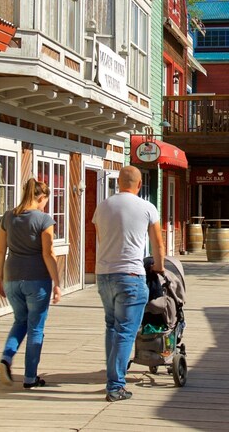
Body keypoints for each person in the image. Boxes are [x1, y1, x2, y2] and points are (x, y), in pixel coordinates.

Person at [92, 165, 165, 402]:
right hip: (131, 275)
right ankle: (115, 385)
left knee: (111, 326)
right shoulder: (147, 207)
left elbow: (101, 238)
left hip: (104, 274)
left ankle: (112, 373)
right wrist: (159, 267)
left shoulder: (102, 207)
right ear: (140, 184)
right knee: (125, 330)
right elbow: (158, 244)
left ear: (118, 183)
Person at [0, 178, 62, 389]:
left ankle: (6, 358)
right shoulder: (44, 220)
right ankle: (30, 378)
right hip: (37, 280)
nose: (45, 205)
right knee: (35, 328)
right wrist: (57, 282)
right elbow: (48, 253)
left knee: (20, 321)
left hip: (12, 278)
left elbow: (1, 251)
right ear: (41, 197)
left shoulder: (8, 217)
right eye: (46, 201)